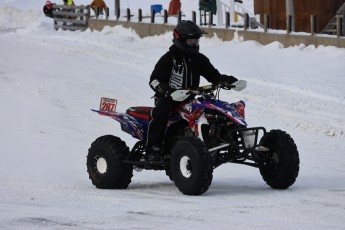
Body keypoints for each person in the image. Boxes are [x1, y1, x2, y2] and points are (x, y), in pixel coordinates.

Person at [146, 20, 238, 161]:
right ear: (179, 39)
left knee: (216, 109)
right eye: (190, 41)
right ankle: (153, 148)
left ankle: (222, 139)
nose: (194, 44)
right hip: (170, 99)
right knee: (160, 112)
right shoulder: (169, 58)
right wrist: (169, 91)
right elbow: (154, 80)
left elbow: (213, 75)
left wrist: (225, 80)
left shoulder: (199, 59)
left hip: (191, 98)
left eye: (196, 40)